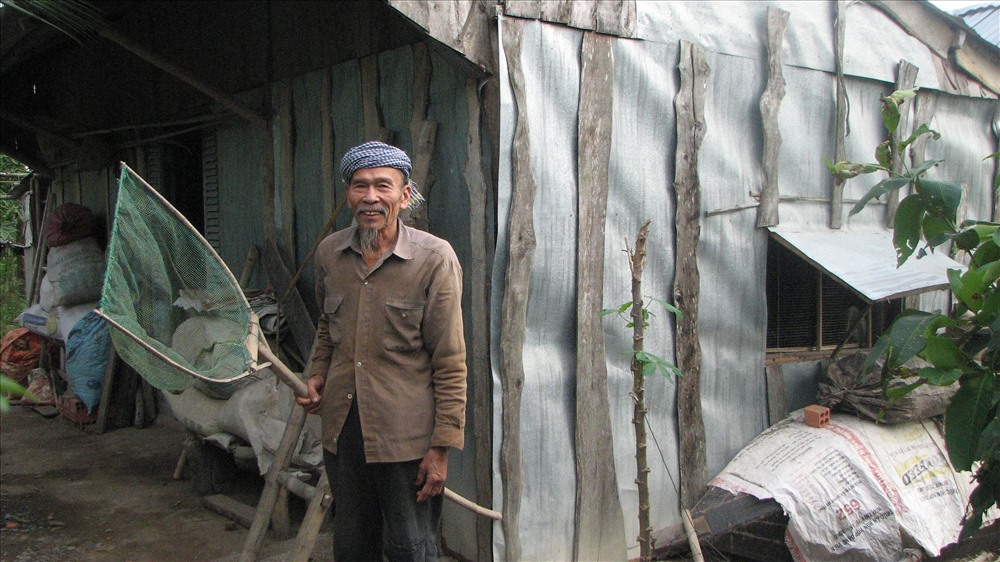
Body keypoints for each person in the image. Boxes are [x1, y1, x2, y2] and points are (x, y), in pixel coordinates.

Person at [296, 141, 467, 561]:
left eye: (383, 186)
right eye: (359, 186)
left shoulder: (433, 259)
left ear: (404, 195)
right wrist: (317, 371)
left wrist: (442, 447)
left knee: (412, 547)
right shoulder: (329, 254)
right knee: (353, 546)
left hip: (406, 439)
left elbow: (450, 361)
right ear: (347, 194)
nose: (370, 197)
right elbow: (326, 326)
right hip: (344, 432)